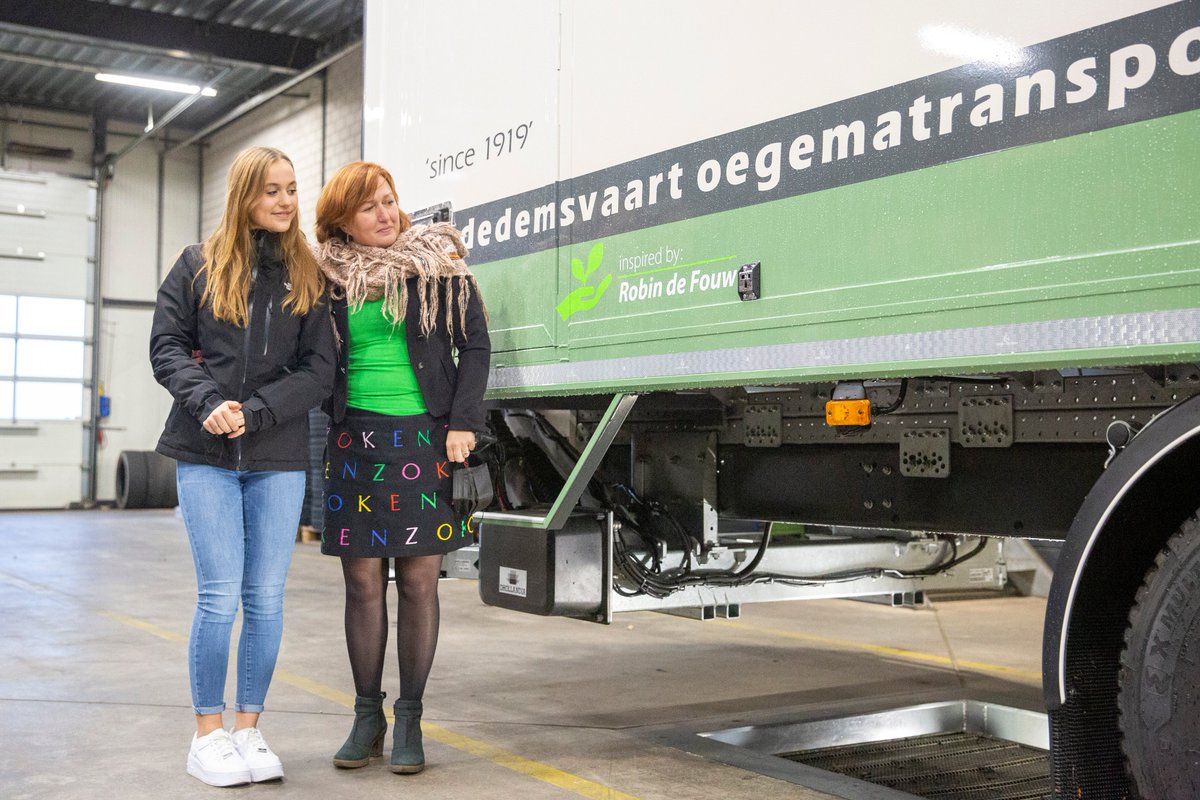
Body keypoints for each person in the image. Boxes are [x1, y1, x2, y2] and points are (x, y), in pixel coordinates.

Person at [150, 146, 336, 787]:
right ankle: (207, 734)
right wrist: (207, 403)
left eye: (292, 189)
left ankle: (249, 728)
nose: (286, 201)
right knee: (220, 594)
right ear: (244, 196)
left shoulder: (307, 275)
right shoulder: (197, 265)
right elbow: (167, 345)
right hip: (205, 453)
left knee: (264, 598)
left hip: (276, 455)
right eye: (272, 190)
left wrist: (254, 413)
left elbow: (318, 371)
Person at [313, 161, 490, 774]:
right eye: (369, 207)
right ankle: (368, 715)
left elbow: (476, 345)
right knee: (362, 583)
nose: (385, 214)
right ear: (343, 221)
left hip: (426, 440)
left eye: (389, 200)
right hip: (354, 440)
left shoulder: (437, 266)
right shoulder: (326, 280)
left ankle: (410, 716)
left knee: (418, 583)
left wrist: (464, 422)